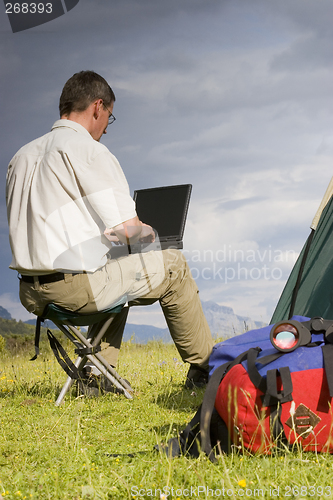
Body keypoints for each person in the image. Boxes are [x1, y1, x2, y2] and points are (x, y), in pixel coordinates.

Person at [6, 70, 214, 391]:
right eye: (109, 118)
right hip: (74, 291)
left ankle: (96, 375)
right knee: (172, 265)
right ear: (97, 108)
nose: (106, 128)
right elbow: (128, 230)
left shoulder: (21, 157)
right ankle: (205, 371)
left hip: (30, 292)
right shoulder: (89, 150)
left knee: (114, 271)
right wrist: (150, 235)